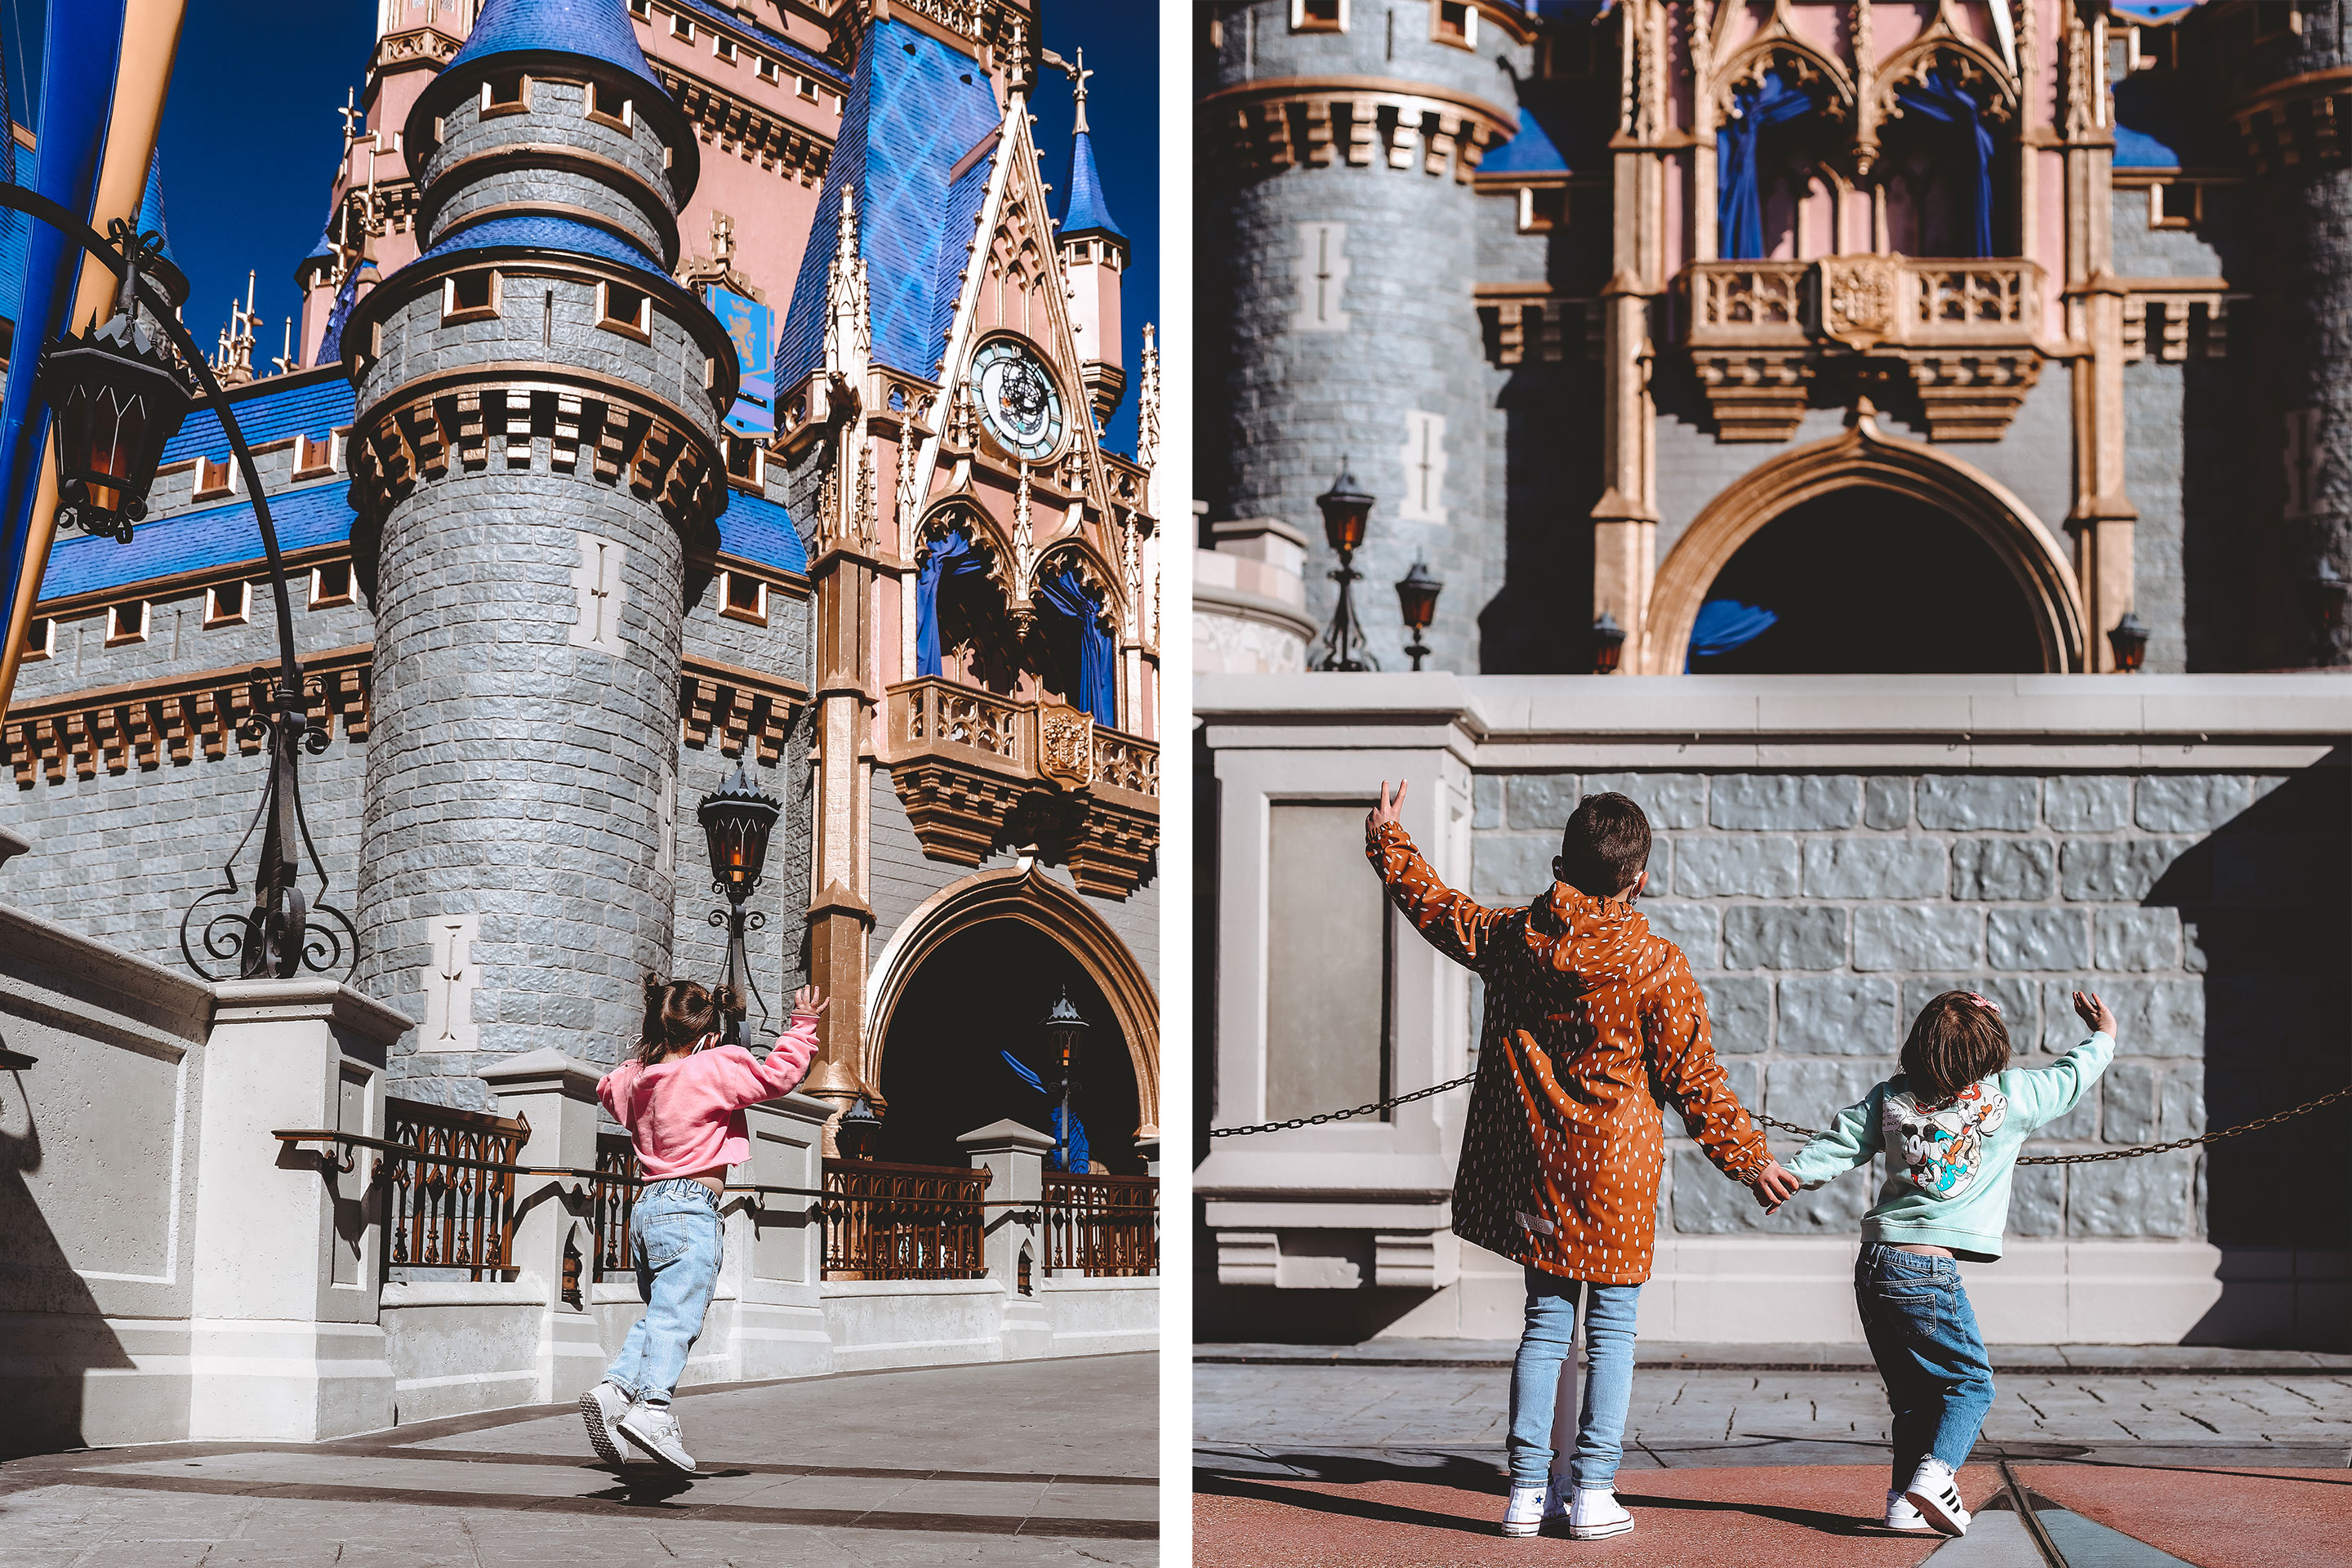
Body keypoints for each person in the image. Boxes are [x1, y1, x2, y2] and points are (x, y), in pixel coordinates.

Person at [1365, 782, 1799, 1540]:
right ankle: (1593, 1487)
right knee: (1614, 1333)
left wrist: (1387, 838)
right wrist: (1749, 1160)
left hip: (1539, 1166)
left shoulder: (1512, 938)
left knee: (1543, 1324)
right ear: (1640, 876)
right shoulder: (1655, 963)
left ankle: (1528, 1491)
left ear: (1561, 858)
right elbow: (1694, 1077)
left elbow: (1435, 906)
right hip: (1617, 1175)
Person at [1769, 988, 2117, 1537]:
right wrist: (2103, 1037)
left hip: (1875, 1263)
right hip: (1927, 1270)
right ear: (1993, 1052)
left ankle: (1902, 1504)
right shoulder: (2014, 1096)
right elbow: (2070, 1078)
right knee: (1970, 1381)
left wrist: (1792, 1174)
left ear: (1918, 1048)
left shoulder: (1892, 1097)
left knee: (1911, 1397)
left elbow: (1840, 1142)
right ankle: (1936, 1478)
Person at [577, 977, 826, 1475]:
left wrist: (639, 1057)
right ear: (708, 1035)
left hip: (647, 1207)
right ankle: (652, 1410)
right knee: (680, 1318)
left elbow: (610, 1087)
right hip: (691, 1207)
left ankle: (616, 1390)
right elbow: (777, 1078)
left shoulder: (635, 1081)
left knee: (661, 1312)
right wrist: (803, 1026)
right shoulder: (714, 1066)